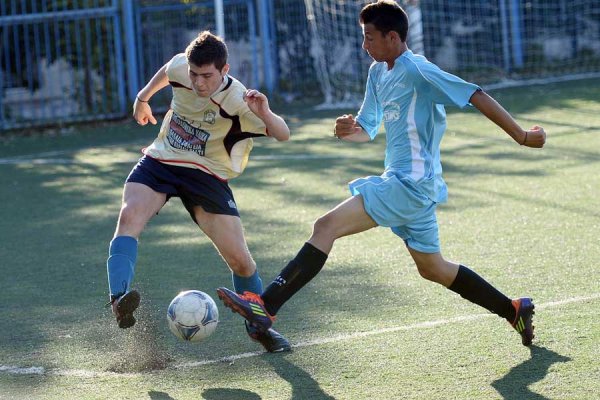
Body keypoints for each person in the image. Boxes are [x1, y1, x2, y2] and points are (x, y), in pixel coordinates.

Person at [216, 0, 546, 347]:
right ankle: (513, 309)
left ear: (393, 37)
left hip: (410, 184)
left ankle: (266, 305)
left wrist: (522, 136)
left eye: (370, 38)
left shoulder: (418, 70)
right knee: (433, 268)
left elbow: (474, 94)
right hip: (410, 186)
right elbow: (367, 127)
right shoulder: (378, 73)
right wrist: (348, 130)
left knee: (325, 226)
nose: (364, 45)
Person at [106, 31, 292, 352]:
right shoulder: (183, 67)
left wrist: (264, 112)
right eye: (194, 74)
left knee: (241, 262)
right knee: (128, 216)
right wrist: (143, 97)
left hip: (207, 175)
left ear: (224, 70)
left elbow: (283, 133)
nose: (198, 83)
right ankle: (119, 300)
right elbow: (169, 68)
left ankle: (260, 328)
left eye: (207, 76)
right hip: (162, 160)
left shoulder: (238, 100)